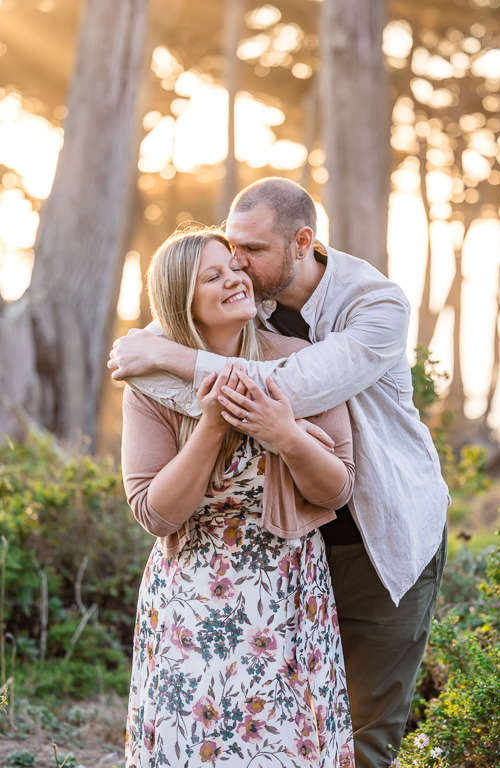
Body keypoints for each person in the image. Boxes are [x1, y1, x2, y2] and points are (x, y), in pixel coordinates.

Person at [110, 178, 450, 768]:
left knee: (361, 729)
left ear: (303, 242)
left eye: (251, 252)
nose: (238, 265)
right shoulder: (254, 297)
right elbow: (182, 326)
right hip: (286, 561)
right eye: (229, 253)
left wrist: (170, 357)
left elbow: (293, 387)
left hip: (382, 534)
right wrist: (149, 356)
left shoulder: (377, 305)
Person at [121, 227, 355, 767]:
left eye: (234, 265)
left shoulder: (298, 362)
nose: (235, 278)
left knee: (285, 748)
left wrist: (286, 435)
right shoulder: (151, 383)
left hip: (287, 591)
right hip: (191, 596)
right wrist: (208, 426)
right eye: (213, 275)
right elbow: (155, 513)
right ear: (185, 302)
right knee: (192, 746)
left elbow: (338, 487)